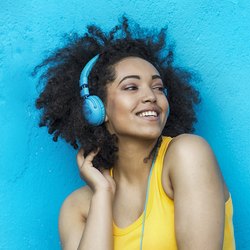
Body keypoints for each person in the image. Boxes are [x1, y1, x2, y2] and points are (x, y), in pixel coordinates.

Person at [34, 15, 235, 250]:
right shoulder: (77, 207)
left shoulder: (188, 154)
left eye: (158, 87)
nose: (151, 96)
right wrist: (102, 194)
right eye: (131, 87)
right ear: (96, 109)